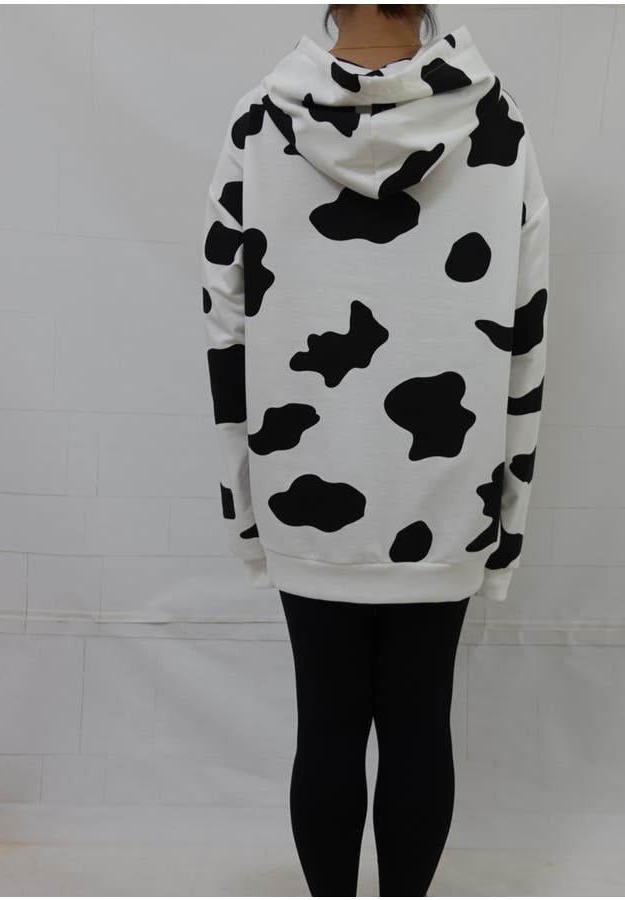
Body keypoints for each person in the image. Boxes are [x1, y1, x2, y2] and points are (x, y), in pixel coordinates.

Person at [201, 3, 550, 895]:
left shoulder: (260, 121)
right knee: (419, 725)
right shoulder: (496, 123)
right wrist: (506, 520)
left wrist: (246, 509)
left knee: (324, 725)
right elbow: (525, 334)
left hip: (299, 486)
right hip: (451, 489)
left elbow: (225, 327)